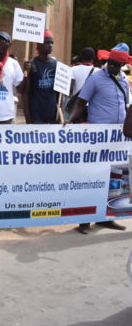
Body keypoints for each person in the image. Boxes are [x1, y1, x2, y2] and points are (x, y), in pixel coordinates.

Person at [66, 43, 131, 234]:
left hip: (119, 137)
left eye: (116, 65)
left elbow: (126, 107)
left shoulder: (125, 81)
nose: (111, 67)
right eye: (109, 63)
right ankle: (85, 221)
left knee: (115, 178)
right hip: (98, 137)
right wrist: (69, 122)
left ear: (122, 66)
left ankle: (107, 218)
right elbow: (80, 104)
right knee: (93, 177)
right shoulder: (95, 78)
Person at [21, 30, 60, 124]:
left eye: (52, 43)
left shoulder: (57, 64)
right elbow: (25, 94)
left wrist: (59, 113)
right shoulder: (31, 65)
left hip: (52, 117)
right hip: (36, 118)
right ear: (38, 44)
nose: (50, 45)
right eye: (47, 42)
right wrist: (28, 119)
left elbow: (60, 94)